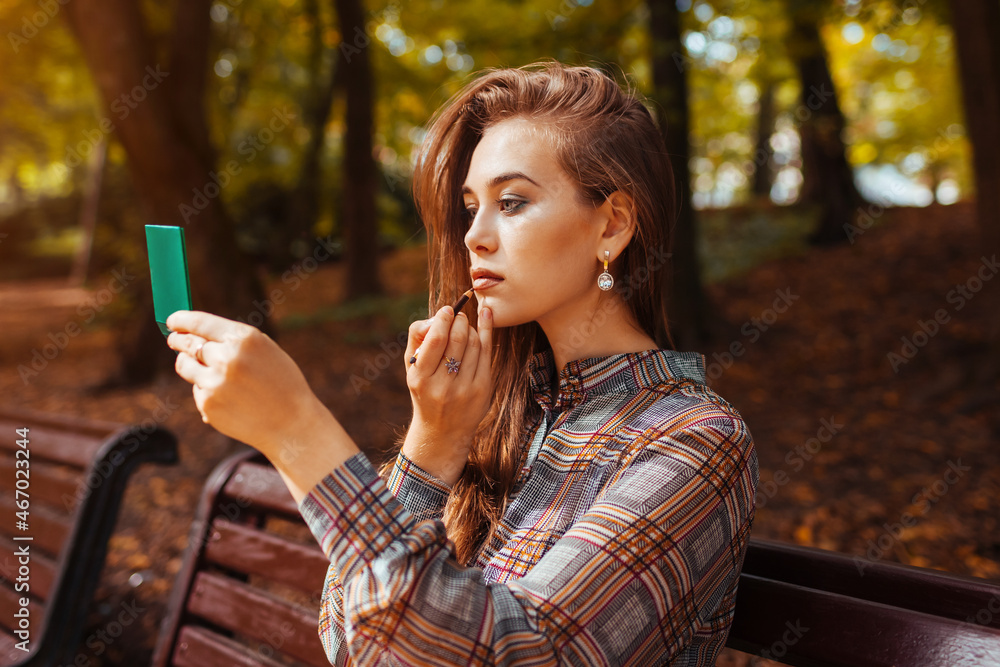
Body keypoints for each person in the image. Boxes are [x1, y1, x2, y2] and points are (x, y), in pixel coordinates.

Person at [166, 59, 758, 666]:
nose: (474, 234)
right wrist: (431, 444)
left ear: (611, 224)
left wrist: (295, 432)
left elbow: (521, 652)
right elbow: (348, 644)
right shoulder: (497, 414)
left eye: (513, 201)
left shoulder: (693, 443)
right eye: (471, 205)